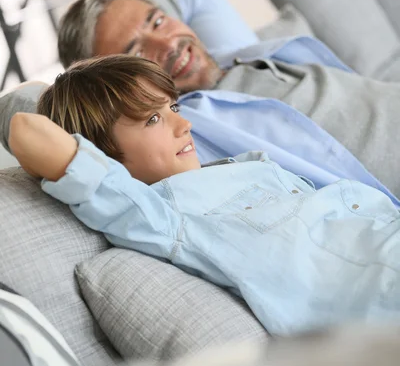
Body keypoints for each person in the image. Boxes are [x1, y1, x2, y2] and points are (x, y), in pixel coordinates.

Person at [9, 55, 400, 336]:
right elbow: (26, 129)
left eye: (173, 106)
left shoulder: (242, 167)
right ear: (101, 152)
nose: (185, 124)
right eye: (153, 118)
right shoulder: (158, 215)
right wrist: (57, 96)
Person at [56, 0, 400, 199]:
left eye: (158, 21)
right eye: (135, 52)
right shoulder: (191, 129)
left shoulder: (235, 53)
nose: (167, 45)